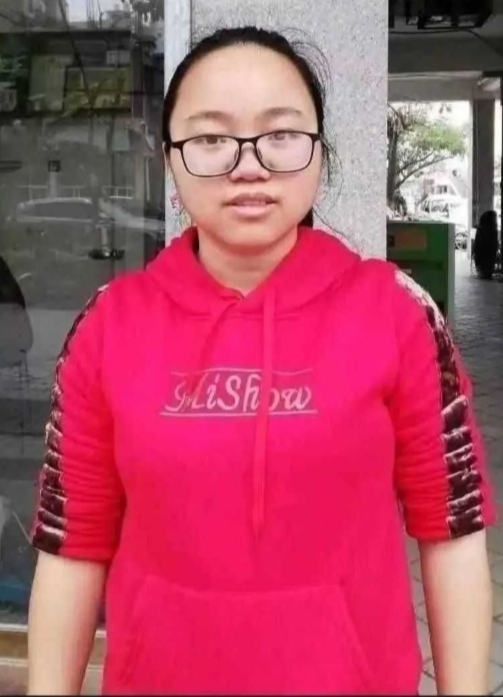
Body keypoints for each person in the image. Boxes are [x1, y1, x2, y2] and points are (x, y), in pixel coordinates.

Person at [27, 27, 495, 696]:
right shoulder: (109, 326)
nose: (248, 165)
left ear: (320, 153)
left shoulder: (397, 312)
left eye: (281, 134)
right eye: (211, 139)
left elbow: (452, 529)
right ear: (170, 161)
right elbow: (71, 546)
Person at [473, 210, 499, 280]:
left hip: (483, 257)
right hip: (487, 256)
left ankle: (484, 273)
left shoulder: (481, 228)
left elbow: (477, 244)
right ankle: (486, 273)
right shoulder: (493, 230)